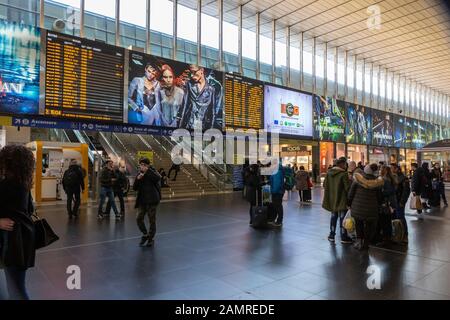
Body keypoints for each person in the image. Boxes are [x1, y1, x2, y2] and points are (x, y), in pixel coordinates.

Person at [0, 145, 37, 299]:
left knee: (15, 289)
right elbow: (29, 208)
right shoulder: (23, 183)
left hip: (10, 243)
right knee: (16, 286)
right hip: (23, 241)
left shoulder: (5, 185)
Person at [348, 164, 384, 251]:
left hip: (358, 207)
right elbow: (380, 197)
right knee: (369, 226)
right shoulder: (377, 182)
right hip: (371, 208)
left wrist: (349, 203)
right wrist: (379, 205)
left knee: (359, 224)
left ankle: (359, 242)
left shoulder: (357, 180)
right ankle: (366, 243)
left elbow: (350, 194)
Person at [178, 65, 223, 130]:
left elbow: (213, 113)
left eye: (194, 72)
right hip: (188, 124)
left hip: (201, 127)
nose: (192, 75)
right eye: (191, 72)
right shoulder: (189, 84)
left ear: (201, 70)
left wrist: (210, 131)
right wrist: (180, 128)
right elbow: (184, 107)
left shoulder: (212, 89)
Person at [322, 157, 353, 244]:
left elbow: (324, 184)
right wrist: (350, 180)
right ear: (342, 164)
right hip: (342, 200)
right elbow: (347, 188)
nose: (346, 166)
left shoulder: (329, 173)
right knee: (342, 218)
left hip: (332, 199)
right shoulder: (343, 174)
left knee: (333, 217)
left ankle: (331, 235)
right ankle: (343, 236)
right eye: (345, 164)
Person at [133, 158, 161, 247]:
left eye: (144, 165)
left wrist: (148, 171)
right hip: (142, 201)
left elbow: (158, 178)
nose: (142, 166)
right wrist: (138, 179)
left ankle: (151, 238)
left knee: (152, 220)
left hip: (152, 200)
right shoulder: (139, 174)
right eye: (141, 165)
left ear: (148, 166)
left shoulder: (152, 172)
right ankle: (145, 234)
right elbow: (134, 188)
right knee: (138, 218)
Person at [376, 165, 398, 246]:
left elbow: (387, 192)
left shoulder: (385, 180)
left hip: (386, 205)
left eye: (380, 169)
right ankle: (388, 238)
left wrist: (380, 193)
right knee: (387, 222)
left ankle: (386, 240)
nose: (379, 171)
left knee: (385, 222)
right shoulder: (391, 179)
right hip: (390, 204)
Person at [391, 164, 411, 244]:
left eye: (392, 168)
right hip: (394, 202)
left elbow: (406, 191)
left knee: (401, 218)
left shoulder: (403, 178)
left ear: (397, 169)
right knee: (395, 218)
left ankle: (405, 235)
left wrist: (402, 202)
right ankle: (397, 234)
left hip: (399, 202)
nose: (391, 170)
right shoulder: (392, 177)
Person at [268, 161, 285, 227]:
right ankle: (274, 219)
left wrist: (273, 191)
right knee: (276, 206)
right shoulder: (278, 171)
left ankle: (279, 221)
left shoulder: (276, 172)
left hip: (277, 192)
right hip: (279, 191)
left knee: (278, 206)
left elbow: (277, 184)